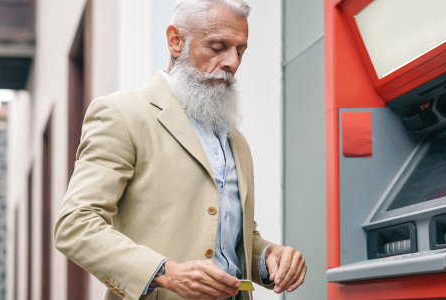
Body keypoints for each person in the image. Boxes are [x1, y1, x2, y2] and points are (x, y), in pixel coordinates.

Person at [53, 0, 307, 299]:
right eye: (217, 46)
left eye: (240, 50)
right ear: (176, 41)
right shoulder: (122, 114)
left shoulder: (236, 140)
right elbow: (75, 224)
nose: (233, 62)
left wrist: (268, 257)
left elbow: (231, 240)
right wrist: (165, 272)